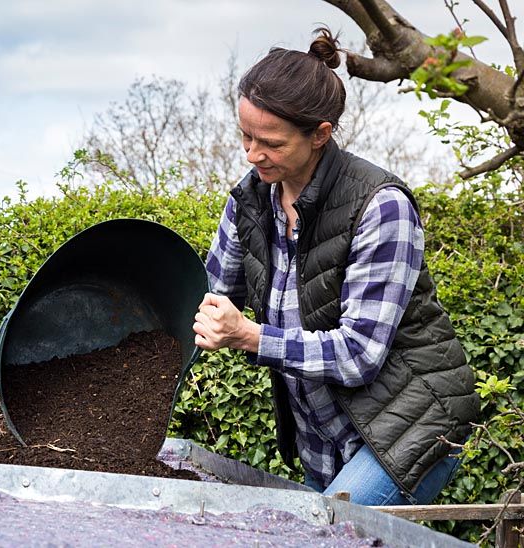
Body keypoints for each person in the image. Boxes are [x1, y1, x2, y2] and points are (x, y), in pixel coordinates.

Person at [192, 28, 479, 506]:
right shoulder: (251, 200)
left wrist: (249, 335)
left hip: (413, 426)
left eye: (271, 142)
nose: (252, 154)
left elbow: (358, 354)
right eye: (245, 136)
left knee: (324, 536)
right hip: (323, 435)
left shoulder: (380, 208)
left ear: (320, 135)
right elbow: (206, 301)